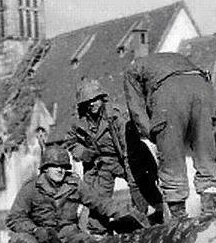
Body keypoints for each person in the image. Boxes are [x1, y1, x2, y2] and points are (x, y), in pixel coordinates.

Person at [7, 145, 144, 243]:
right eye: (55, 166)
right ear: (45, 169)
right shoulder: (31, 188)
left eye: (63, 167)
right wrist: (35, 230)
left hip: (69, 235)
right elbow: (14, 218)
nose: (60, 170)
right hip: (43, 240)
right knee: (20, 242)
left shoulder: (74, 184)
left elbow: (99, 202)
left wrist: (125, 214)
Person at [123, 50, 216, 220]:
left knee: (171, 158)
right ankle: (210, 209)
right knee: (205, 152)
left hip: (170, 94)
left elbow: (136, 110)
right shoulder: (178, 58)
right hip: (203, 88)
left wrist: (153, 133)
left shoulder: (132, 70)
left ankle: (179, 217)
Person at [65, 77, 163, 224]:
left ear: (102, 98)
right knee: (98, 200)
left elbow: (128, 148)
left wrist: (131, 176)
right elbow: (70, 142)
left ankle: (150, 218)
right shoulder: (78, 121)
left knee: (140, 186)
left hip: (126, 157)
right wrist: (83, 153)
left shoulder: (116, 115)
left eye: (95, 99)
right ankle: (99, 232)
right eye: (87, 101)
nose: (91, 104)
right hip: (100, 163)